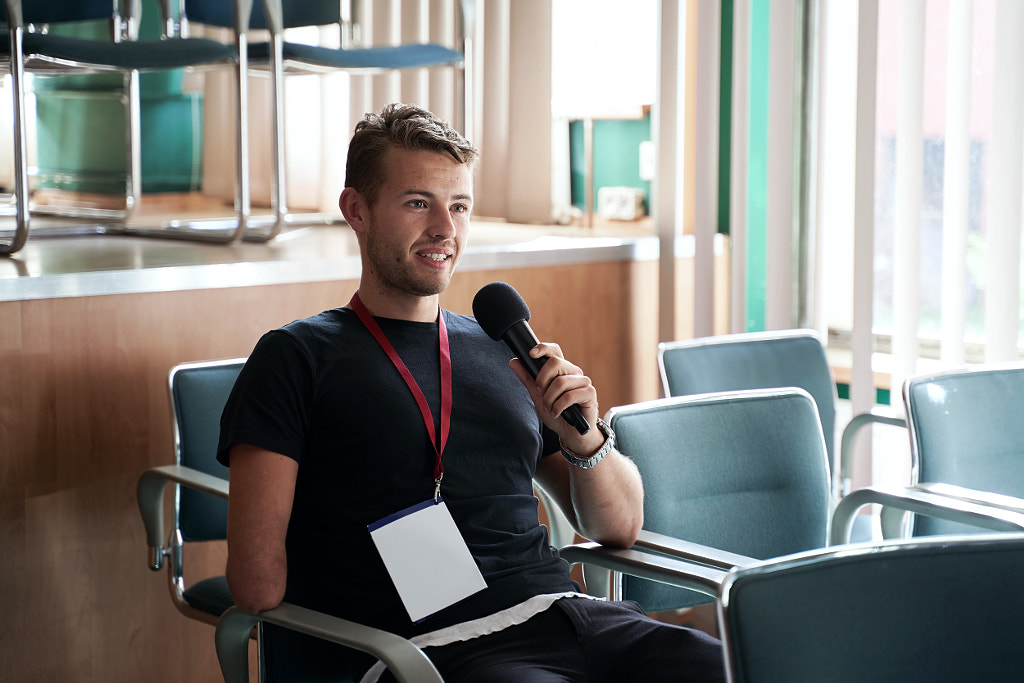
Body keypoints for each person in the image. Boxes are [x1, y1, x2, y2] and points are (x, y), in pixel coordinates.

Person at [218, 103, 725, 683]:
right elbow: (258, 585)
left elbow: (619, 527)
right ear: (356, 210)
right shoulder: (297, 357)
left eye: (459, 206)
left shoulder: (499, 349)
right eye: (418, 203)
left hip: (568, 616)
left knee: (734, 665)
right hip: (427, 651)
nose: (445, 229)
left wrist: (584, 440)